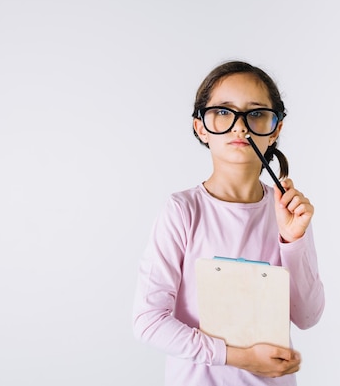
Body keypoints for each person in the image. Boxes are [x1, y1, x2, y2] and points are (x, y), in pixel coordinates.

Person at [132, 60, 325, 385]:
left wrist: (293, 240)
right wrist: (242, 358)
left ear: (275, 128)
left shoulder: (287, 211)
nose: (240, 127)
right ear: (200, 127)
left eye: (256, 113)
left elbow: (307, 316)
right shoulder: (182, 211)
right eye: (223, 112)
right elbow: (148, 321)